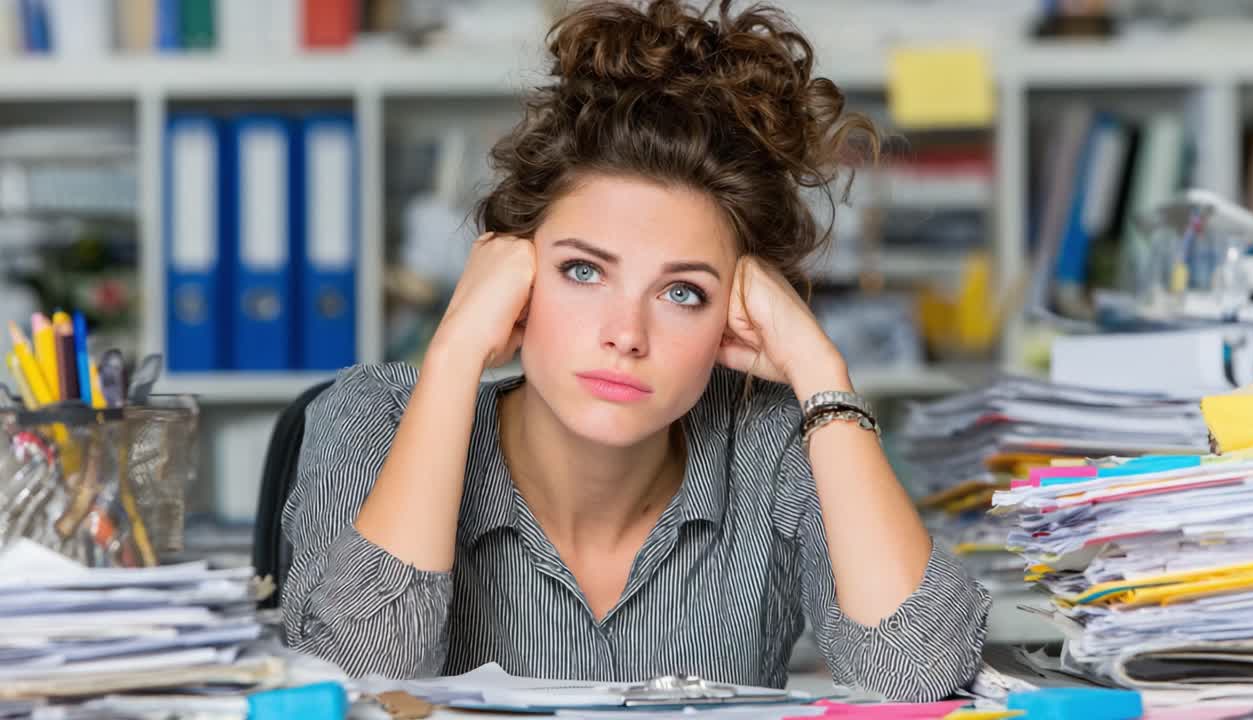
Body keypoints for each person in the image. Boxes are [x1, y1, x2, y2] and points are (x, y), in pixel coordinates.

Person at [281, 0, 990, 701]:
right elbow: (356, 684)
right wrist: (456, 349)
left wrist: (821, 372)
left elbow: (915, 676)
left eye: (682, 292)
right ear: (514, 276)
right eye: (583, 272)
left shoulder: (777, 444)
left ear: (735, 317)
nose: (627, 334)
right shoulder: (373, 416)